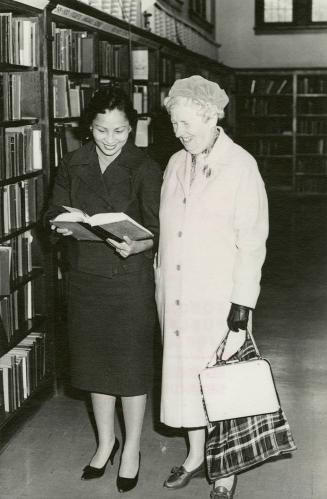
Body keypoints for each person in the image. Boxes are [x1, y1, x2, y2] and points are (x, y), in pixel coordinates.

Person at [155, 75, 269, 499]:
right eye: (175, 124)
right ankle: (195, 455)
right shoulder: (174, 163)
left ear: (211, 115)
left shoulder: (241, 166)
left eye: (187, 123)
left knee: (223, 387)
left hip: (217, 298)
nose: (179, 132)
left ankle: (226, 471)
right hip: (178, 293)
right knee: (187, 381)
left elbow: (252, 242)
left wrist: (241, 309)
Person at [45, 87, 162, 493]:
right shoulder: (73, 161)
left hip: (129, 278)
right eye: (101, 130)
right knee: (95, 363)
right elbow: (53, 211)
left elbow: (158, 230)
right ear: (88, 127)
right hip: (85, 278)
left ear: (132, 129)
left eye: (119, 131)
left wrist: (140, 243)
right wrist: (63, 223)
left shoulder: (145, 166)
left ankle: (131, 447)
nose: (110, 139)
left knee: (129, 366)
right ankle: (105, 442)